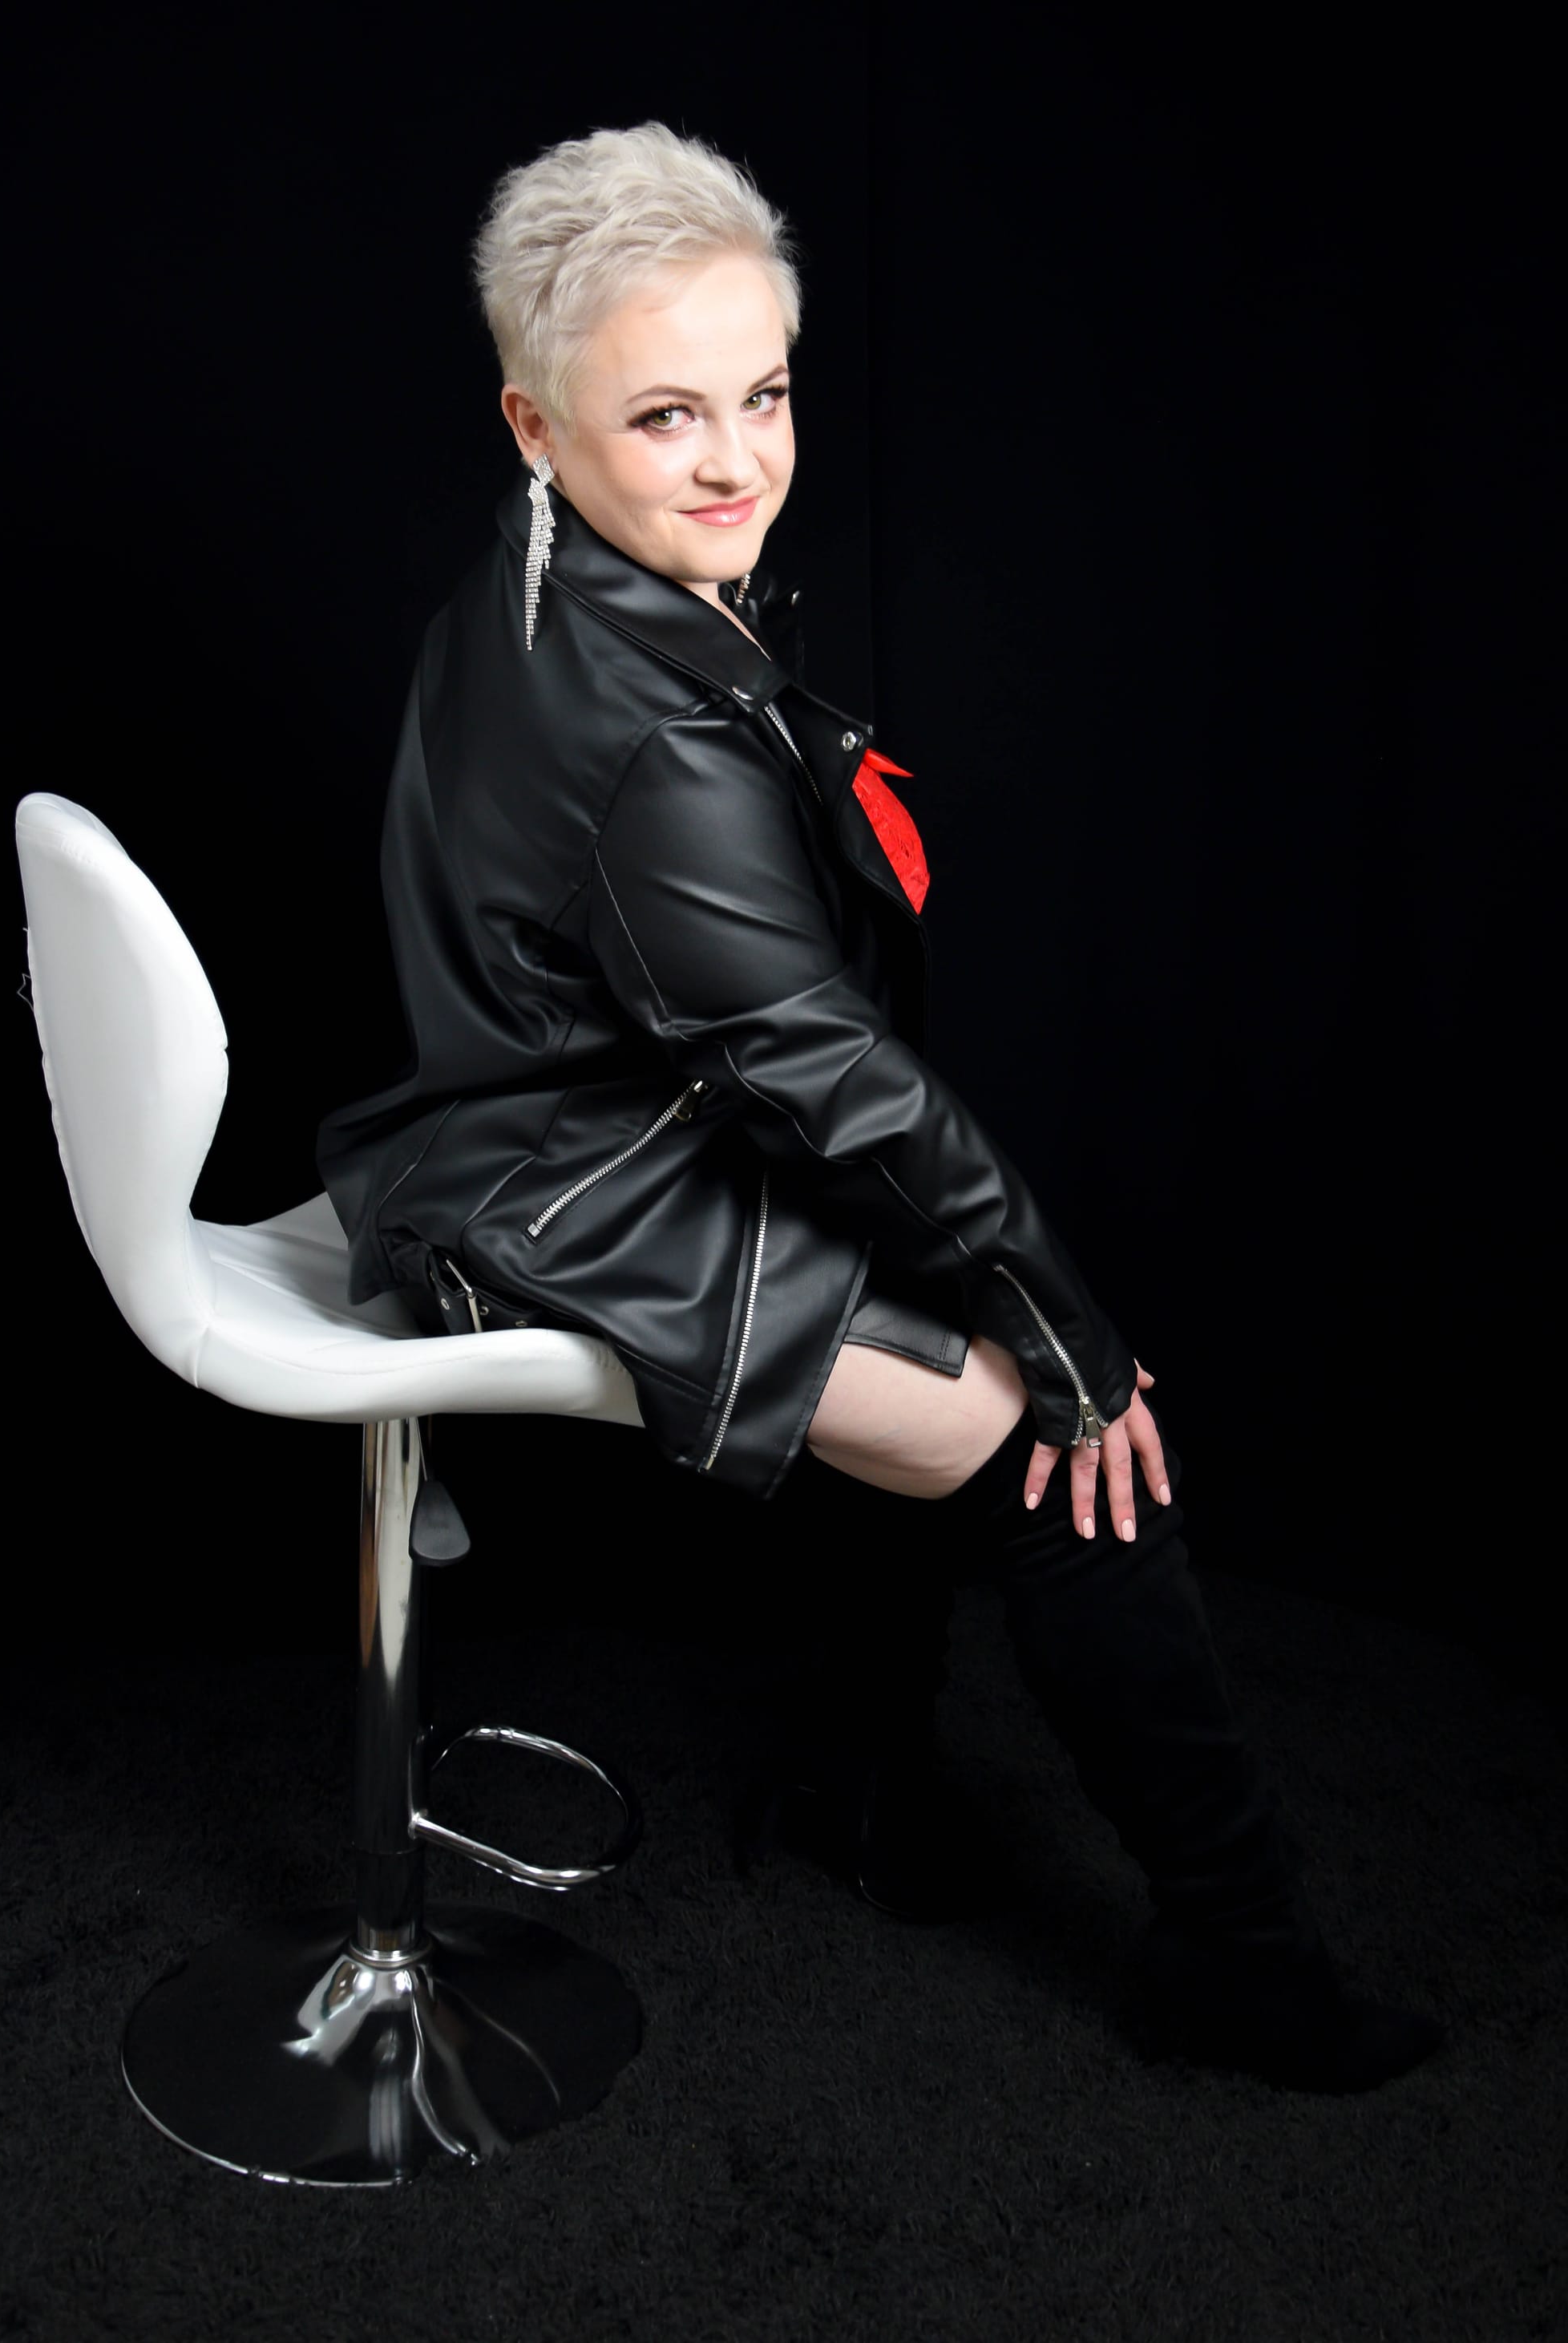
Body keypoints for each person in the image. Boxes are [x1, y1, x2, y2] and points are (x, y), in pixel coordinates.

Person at [317, 122, 1441, 2092]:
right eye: (665, 415)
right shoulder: (645, 731)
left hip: (550, 1118)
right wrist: (1070, 1337)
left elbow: (800, 1056)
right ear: (534, 424)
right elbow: (831, 1074)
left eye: (760, 395)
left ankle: (862, 1779)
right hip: (557, 1186)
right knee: (1061, 1448)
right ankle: (1237, 1958)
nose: (736, 463)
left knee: (937, 1283)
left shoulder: (546, 571)